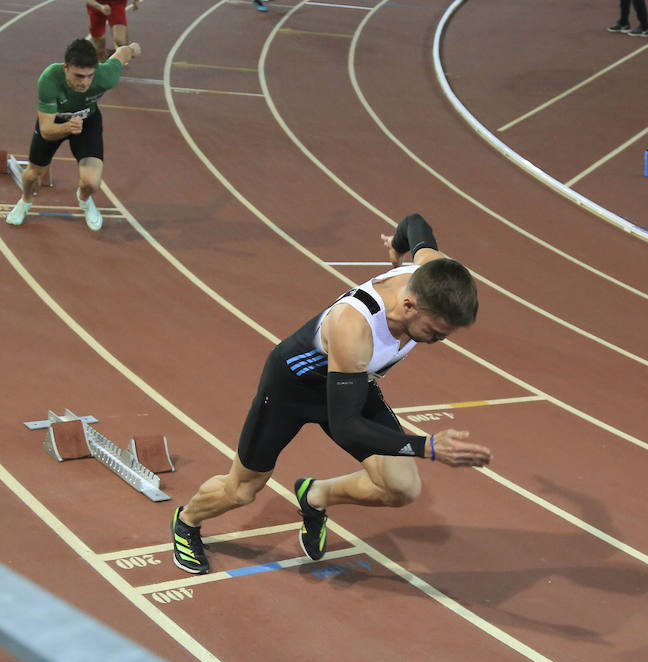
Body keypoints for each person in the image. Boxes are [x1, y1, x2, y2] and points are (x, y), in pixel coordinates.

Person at [168, 214, 493, 575]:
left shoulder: (432, 272)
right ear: (409, 305)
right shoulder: (353, 326)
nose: (436, 341)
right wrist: (427, 446)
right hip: (293, 388)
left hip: (353, 381)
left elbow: (416, 224)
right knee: (243, 489)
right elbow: (346, 426)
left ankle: (314, 496)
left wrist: (398, 246)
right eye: (434, 332)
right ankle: (187, 520)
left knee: (401, 487)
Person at [6, 38, 140, 232]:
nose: (84, 82)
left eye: (89, 76)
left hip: (88, 122)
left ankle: (84, 200)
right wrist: (68, 127)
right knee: (33, 175)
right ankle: (25, 202)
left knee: (92, 183)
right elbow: (46, 130)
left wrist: (133, 49)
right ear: (66, 68)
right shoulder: (49, 79)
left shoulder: (106, 76)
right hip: (55, 122)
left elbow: (121, 54)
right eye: (78, 76)